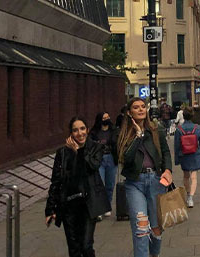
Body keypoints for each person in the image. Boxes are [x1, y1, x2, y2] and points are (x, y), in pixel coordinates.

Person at [45, 117, 110, 257]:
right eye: (75, 130)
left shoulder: (96, 147)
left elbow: (92, 166)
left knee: (86, 245)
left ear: (87, 130)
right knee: (74, 248)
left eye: (82, 129)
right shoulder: (62, 153)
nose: (79, 133)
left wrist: (78, 152)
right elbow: (56, 181)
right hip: (69, 204)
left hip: (89, 203)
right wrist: (50, 208)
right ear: (71, 133)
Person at [117, 97, 173, 257]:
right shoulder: (123, 134)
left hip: (156, 180)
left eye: (143, 106)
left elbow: (166, 152)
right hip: (135, 183)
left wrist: (168, 170)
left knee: (156, 227)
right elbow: (125, 159)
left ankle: (154, 254)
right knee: (141, 227)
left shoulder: (156, 129)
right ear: (129, 112)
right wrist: (138, 136)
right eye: (136, 107)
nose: (141, 109)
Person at [173, 106, 200, 208]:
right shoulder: (197, 128)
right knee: (194, 177)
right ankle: (191, 197)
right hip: (195, 154)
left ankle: (188, 194)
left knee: (186, 176)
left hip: (184, 155)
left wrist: (177, 159)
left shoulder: (179, 129)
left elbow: (176, 145)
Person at [90, 112, 118, 218]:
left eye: (108, 117)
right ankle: (99, 208)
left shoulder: (114, 131)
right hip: (99, 159)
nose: (107, 119)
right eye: (104, 118)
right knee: (99, 183)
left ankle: (107, 205)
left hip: (111, 158)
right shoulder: (94, 132)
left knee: (110, 184)